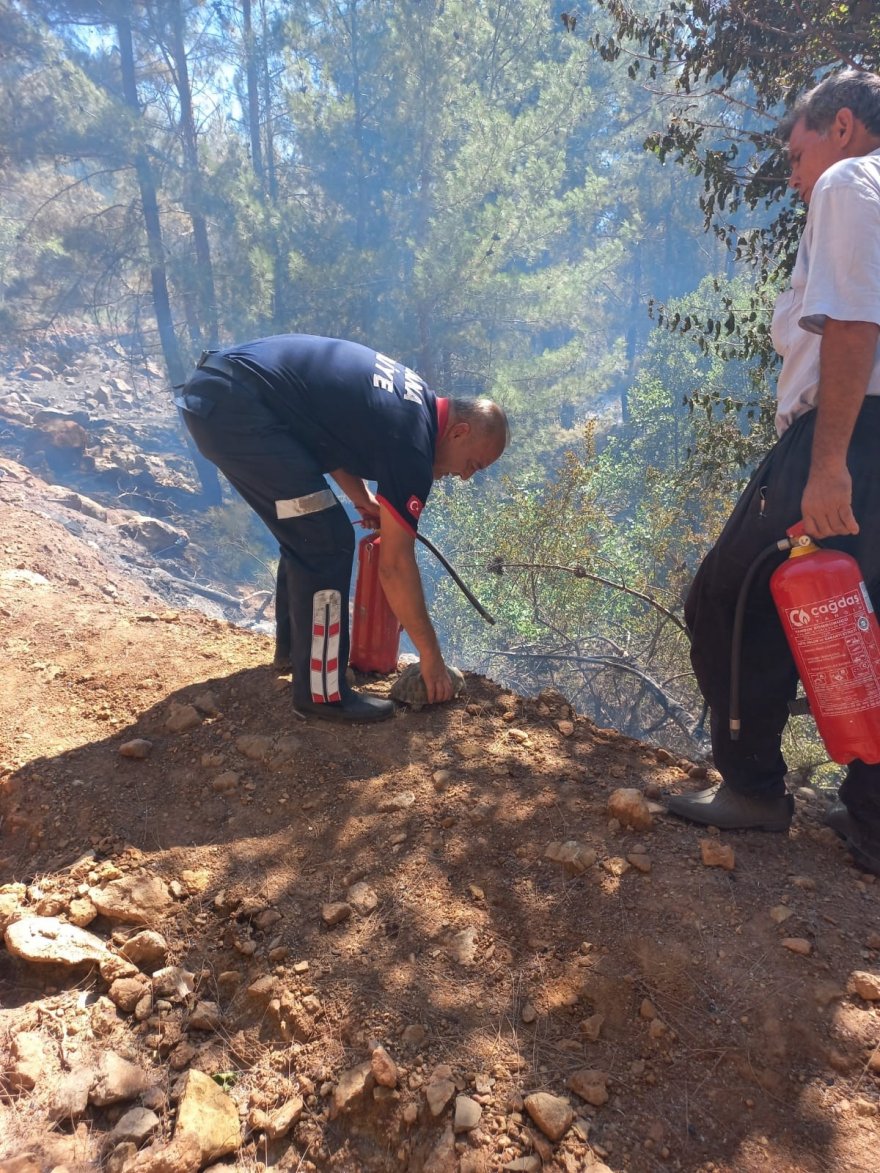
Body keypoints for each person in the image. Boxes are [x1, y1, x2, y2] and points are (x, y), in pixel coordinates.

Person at [667, 69, 880, 876]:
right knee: (869, 615)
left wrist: (828, 464)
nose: (794, 177)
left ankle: (753, 787)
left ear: (843, 127)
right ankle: (873, 820)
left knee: (728, 596)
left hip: (847, 432)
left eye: (797, 154)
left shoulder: (852, 183)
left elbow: (854, 321)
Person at [175, 334, 508, 723]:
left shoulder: (414, 404)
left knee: (309, 529)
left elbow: (325, 436)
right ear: (460, 432)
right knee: (326, 541)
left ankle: (294, 652)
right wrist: (431, 656)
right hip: (239, 410)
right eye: (474, 465)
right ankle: (322, 694)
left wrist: (361, 498)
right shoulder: (414, 445)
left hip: (224, 391)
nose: (466, 476)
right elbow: (395, 565)